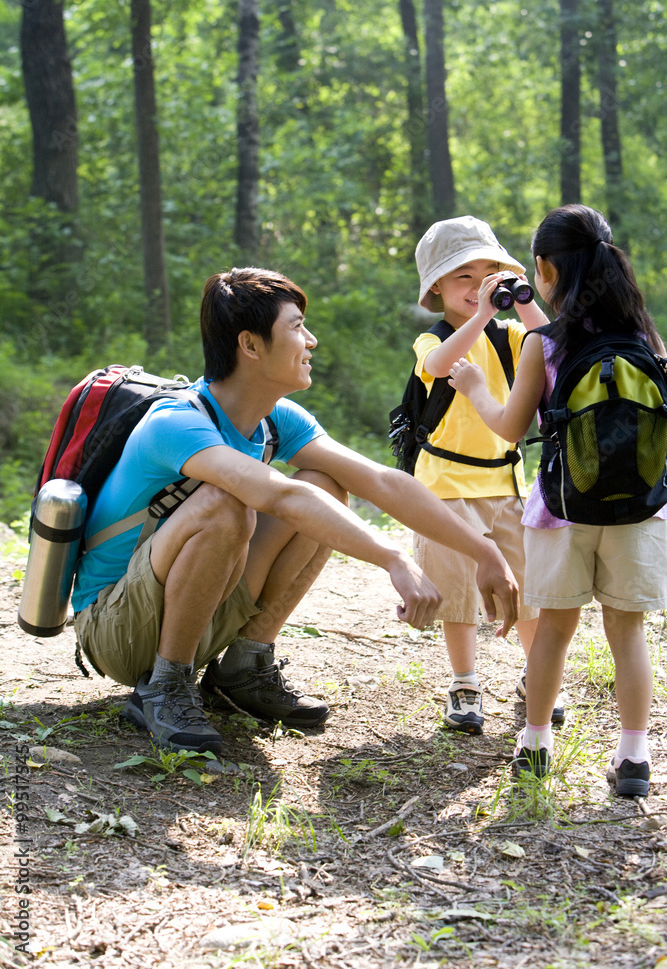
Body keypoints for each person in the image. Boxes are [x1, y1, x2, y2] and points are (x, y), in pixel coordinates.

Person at [72, 266, 519, 756]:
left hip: (189, 607)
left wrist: (483, 552)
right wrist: (394, 558)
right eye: (295, 327)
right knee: (225, 505)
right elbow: (279, 497)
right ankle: (166, 685)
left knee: (326, 484)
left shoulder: (275, 420)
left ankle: (244, 666)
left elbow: (380, 480)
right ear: (250, 345)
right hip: (116, 628)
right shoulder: (176, 422)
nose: (311, 340)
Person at [449, 204, 667, 796]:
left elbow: (511, 428)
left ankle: (536, 743)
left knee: (553, 631)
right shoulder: (647, 338)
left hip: (562, 510)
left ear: (544, 268)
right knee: (628, 632)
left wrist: (472, 387)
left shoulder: (542, 345)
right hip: (641, 509)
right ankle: (635, 759)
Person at [410, 216, 558, 735]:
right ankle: (465, 682)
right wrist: (480, 319)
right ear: (437, 289)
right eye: (463, 278)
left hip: (506, 484)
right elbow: (440, 366)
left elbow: (551, 342)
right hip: (445, 488)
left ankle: (538, 676)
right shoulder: (433, 340)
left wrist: (518, 301)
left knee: (529, 591)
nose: (478, 288)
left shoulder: (511, 336)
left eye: (488, 274)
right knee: (458, 597)